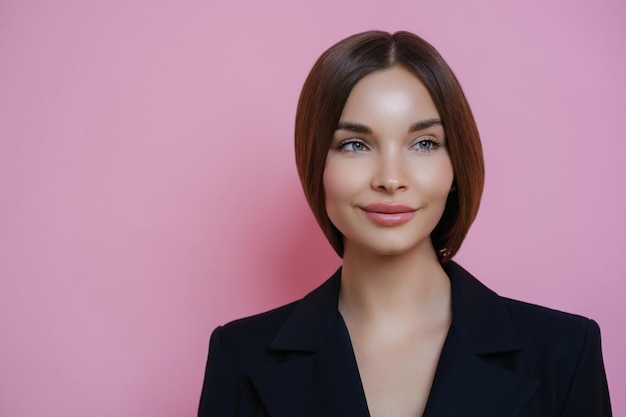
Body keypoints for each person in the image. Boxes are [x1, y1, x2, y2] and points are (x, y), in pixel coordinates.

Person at [198, 30, 612, 417]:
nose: (391, 178)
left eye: (424, 143)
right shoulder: (237, 356)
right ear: (317, 165)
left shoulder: (565, 352)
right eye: (355, 144)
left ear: (455, 166)